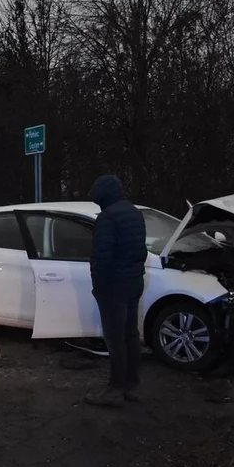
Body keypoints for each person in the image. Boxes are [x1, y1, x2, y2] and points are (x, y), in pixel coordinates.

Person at [85, 174, 148, 407]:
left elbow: (101, 258)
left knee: (115, 339)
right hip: (133, 282)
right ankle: (132, 385)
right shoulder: (135, 213)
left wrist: (98, 287)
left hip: (113, 287)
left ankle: (114, 390)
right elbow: (141, 251)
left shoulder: (108, 218)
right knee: (131, 335)